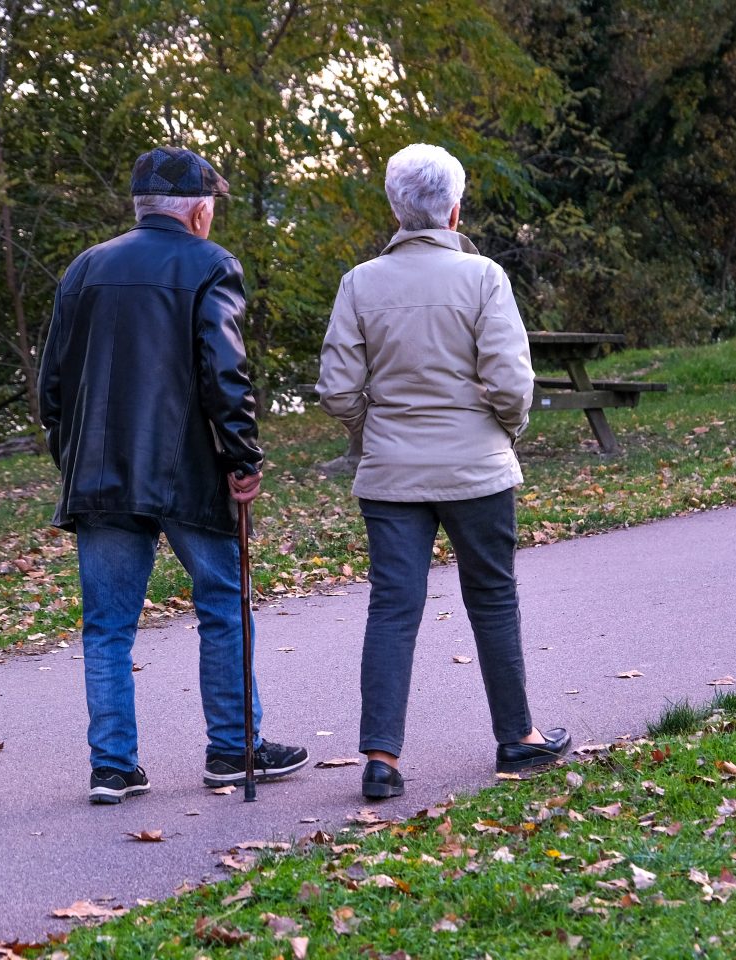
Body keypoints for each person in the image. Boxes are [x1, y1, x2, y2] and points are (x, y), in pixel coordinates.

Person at [40, 145, 307, 804]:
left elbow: (51, 387)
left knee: (107, 625)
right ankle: (232, 747)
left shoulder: (84, 269)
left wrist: (72, 455)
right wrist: (243, 458)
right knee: (223, 604)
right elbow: (225, 374)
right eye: (211, 203)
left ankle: (112, 765)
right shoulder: (211, 265)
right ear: (195, 211)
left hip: (99, 473)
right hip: (187, 472)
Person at [316, 143, 570, 801]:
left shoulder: (359, 282)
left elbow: (338, 388)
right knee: (493, 597)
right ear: (455, 209)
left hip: (390, 474)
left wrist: (370, 432)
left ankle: (381, 758)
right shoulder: (483, 278)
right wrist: (500, 432)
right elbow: (512, 382)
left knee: (393, 609)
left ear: (396, 209)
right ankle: (517, 738)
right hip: (476, 469)